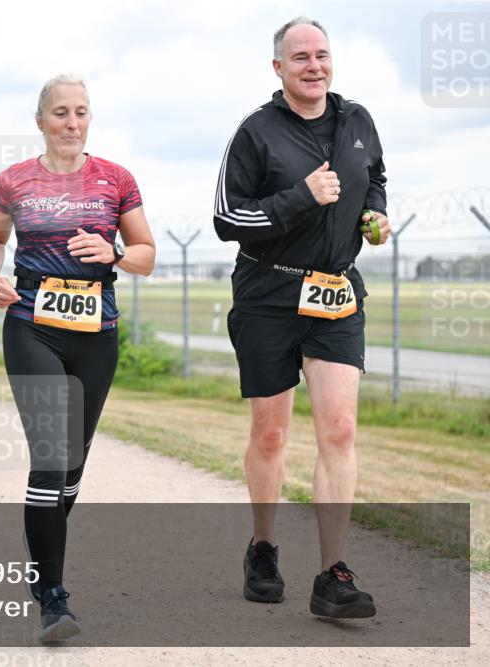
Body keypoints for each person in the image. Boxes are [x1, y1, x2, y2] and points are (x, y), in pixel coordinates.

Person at [213, 16, 388, 619]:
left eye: (322, 54)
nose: (314, 66)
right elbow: (227, 219)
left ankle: (331, 574)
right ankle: (263, 547)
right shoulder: (255, 133)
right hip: (268, 292)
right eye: (301, 58)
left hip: (336, 293)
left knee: (338, 430)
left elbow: (375, 180)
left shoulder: (358, 121)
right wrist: (300, 197)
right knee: (270, 432)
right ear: (279, 69)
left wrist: (374, 215)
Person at [0, 74, 155, 643]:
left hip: (95, 332)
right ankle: (52, 595)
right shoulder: (13, 182)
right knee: (50, 457)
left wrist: (116, 253)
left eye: (80, 112)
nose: (71, 122)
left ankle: (41, 545)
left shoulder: (116, 180)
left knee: (73, 466)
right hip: (32, 325)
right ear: (40, 121)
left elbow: (146, 255)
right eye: (60, 113)